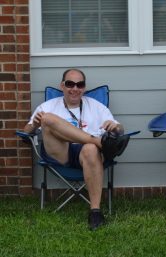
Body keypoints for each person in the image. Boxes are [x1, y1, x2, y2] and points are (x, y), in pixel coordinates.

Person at [24, 68, 129, 231]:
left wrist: (115, 128)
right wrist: (35, 124)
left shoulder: (96, 106)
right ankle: (100, 142)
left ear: (84, 88)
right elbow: (25, 133)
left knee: (90, 149)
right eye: (70, 84)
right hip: (60, 152)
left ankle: (95, 212)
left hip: (87, 155)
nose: (75, 88)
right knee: (48, 118)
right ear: (62, 86)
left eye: (80, 85)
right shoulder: (48, 106)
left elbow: (120, 129)